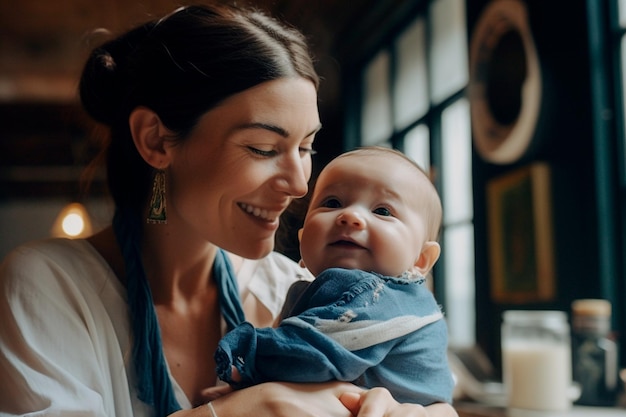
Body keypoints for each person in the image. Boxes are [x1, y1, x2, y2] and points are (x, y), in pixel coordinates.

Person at [0, 3, 458, 417]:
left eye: (306, 147)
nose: (301, 185)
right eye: (263, 148)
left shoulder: (291, 285)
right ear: (156, 140)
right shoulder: (47, 287)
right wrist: (238, 411)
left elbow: (432, 382)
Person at [214, 147, 454, 405]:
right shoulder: (311, 290)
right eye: (333, 203)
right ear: (304, 239)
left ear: (420, 260)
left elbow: (307, 356)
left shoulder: (381, 297)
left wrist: (243, 354)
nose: (350, 216)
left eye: (382, 211)